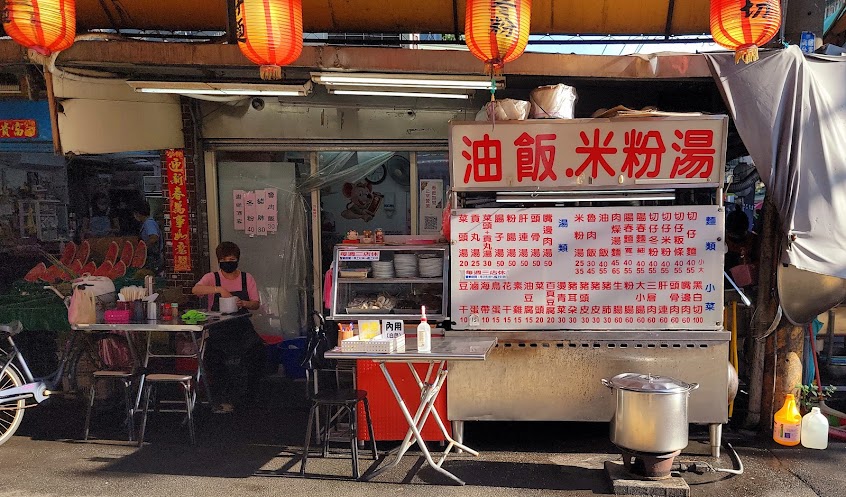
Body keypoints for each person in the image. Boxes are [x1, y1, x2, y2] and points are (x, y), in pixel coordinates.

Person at [192, 242, 265, 413]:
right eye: (224, 260)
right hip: (219, 328)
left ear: (237, 260)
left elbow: (255, 304)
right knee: (217, 359)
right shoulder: (212, 278)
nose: (228, 263)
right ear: (219, 261)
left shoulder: (247, 278)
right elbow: (196, 290)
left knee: (256, 353)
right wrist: (219, 290)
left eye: (232, 260)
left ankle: (249, 397)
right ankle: (222, 398)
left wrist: (243, 303)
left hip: (242, 326)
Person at [132, 200, 163, 274]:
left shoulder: (149, 223)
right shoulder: (148, 222)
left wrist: (142, 247)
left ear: (138, 213)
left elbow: (154, 238)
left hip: (153, 259)